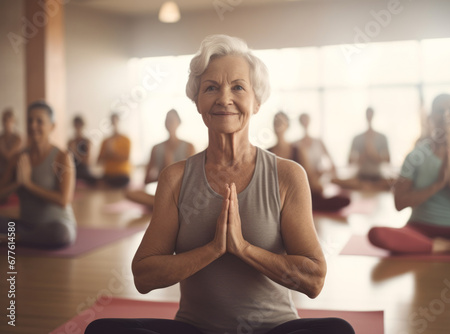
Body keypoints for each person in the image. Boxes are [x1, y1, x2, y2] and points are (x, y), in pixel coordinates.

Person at [85, 35, 354, 334]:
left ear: (256, 101)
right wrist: (213, 249)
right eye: (211, 87)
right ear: (198, 101)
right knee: (102, 330)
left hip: (272, 329)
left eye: (237, 87)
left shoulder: (287, 175)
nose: (224, 98)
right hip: (196, 329)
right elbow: (144, 275)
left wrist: (243, 249)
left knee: (337, 330)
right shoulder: (175, 178)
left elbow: (314, 280)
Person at [368, 94, 450, 255]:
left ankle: (440, 246)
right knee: (376, 234)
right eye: (440, 111)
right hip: (419, 229)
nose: (446, 115)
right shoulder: (414, 156)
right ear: (431, 117)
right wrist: (437, 184)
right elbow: (399, 203)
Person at [0, 101, 76, 248]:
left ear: (52, 126)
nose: (33, 126)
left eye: (39, 121)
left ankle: (15, 239)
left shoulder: (62, 157)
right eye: (30, 121)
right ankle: (20, 237)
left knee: (61, 234)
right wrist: (17, 184)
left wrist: (28, 184)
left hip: (55, 226)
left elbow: (64, 200)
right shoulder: (18, 158)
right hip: (25, 224)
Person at [269, 112, 350, 213]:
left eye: (281, 122)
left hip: (298, 195)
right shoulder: (267, 153)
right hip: (276, 197)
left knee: (344, 200)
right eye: (275, 122)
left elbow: (308, 176)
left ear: (287, 126)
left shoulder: (298, 150)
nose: (278, 125)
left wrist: (318, 184)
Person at [125, 109, 195, 207]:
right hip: (161, 189)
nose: (169, 123)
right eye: (167, 120)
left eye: (172, 120)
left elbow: (192, 178)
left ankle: (165, 206)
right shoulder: (156, 148)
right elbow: (147, 180)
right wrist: (163, 171)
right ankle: (169, 206)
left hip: (181, 190)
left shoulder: (189, 146)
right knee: (129, 193)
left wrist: (172, 167)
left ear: (178, 123)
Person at [333, 107, 393, 191]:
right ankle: (367, 186)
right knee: (334, 180)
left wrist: (373, 153)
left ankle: (369, 186)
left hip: (377, 177)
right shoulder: (357, 138)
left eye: (370, 115)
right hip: (360, 176)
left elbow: (388, 160)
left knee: (397, 182)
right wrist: (364, 155)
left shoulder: (382, 137)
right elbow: (349, 161)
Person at [97, 113, 131, 188]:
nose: (114, 123)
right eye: (112, 121)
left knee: (124, 179)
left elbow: (126, 158)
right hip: (108, 175)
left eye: (115, 121)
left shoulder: (126, 140)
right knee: (94, 179)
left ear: (119, 121)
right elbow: (98, 161)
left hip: (122, 175)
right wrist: (107, 152)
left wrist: (112, 152)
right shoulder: (105, 141)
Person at [68, 115, 98, 186]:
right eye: (76, 125)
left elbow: (88, 162)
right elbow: (67, 161)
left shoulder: (87, 141)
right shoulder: (70, 142)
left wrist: (75, 152)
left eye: (79, 125)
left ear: (82, 126)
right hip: (73, 171)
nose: (78, 127)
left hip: (84, 171)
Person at [0, 108, 22, 176]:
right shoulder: (1, 137)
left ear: (14, 121)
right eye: (5, 120)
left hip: (13, 172)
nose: (7, 123)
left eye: (9, 121)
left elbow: (9, 156)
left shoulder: (18, 138)